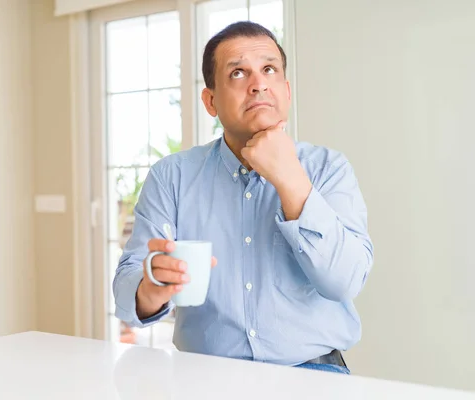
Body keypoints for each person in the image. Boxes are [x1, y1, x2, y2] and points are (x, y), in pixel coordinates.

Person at [113, 21, 374, 374]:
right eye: (238, 73)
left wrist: (289, 178)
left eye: (269, 69)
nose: (258, 84)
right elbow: (127, 290)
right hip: (203, 376)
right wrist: (153, 286)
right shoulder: (172, 176)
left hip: (314, 374)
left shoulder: (329, 169)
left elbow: (344, 281)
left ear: (286, 90)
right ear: (210, 101)